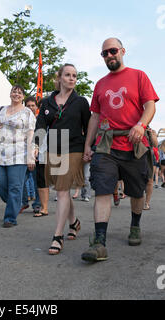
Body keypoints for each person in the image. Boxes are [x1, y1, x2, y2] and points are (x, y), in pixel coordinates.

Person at [81, 38, 159, 262]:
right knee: (103, 190)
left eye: (113, 51)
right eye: (104, 53)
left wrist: (140, 125)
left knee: (136, 191)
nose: (109, 56)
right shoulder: (100, 84)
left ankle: (135, 226)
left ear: (122, 51)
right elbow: (95, 116)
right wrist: (88, 145)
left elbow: (150, 105)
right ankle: (100, 243)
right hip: (106, 144)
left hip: (134, 144)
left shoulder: (138, 75)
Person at [35, 63, 91, 255]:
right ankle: (74, 223)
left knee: (62, 191)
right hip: (54, 149)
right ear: (59, 78)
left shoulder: (81, 102)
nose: (72, 78)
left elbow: (88, 127)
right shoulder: (47, 102)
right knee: (62, 190)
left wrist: (88, 149)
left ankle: (57, 236)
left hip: (74, 148)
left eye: (74, 75)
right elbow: (41, 125)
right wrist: (35, 145)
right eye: (67, 75)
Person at [0, 85, 36, 228]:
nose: (16, 94)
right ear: (10, 94)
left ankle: (10, 218)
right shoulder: (1, 109)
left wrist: (30, 156)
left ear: (23, 96)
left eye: (19, 92)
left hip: (19, 154)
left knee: (15, 187)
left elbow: (30, 134)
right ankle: (17, 202)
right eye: (14, 91)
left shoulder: (27, 112)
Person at [20, 96, 41, 216]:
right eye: (28, 106)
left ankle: (37, 204)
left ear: (36, 107)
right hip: (22, 154)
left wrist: (36, 150)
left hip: (36, 154)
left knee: (37, 181)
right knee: (21, 180)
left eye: (33, 105)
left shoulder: (40, 120)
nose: (31, 108)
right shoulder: (21, 119)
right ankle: (23, 202)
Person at [144, 128, 159, 210]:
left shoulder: (150, 130)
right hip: (135, 155)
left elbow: (155, 145)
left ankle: (146, 203)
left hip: (149, 156)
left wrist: (152, 135)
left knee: (150, 181)